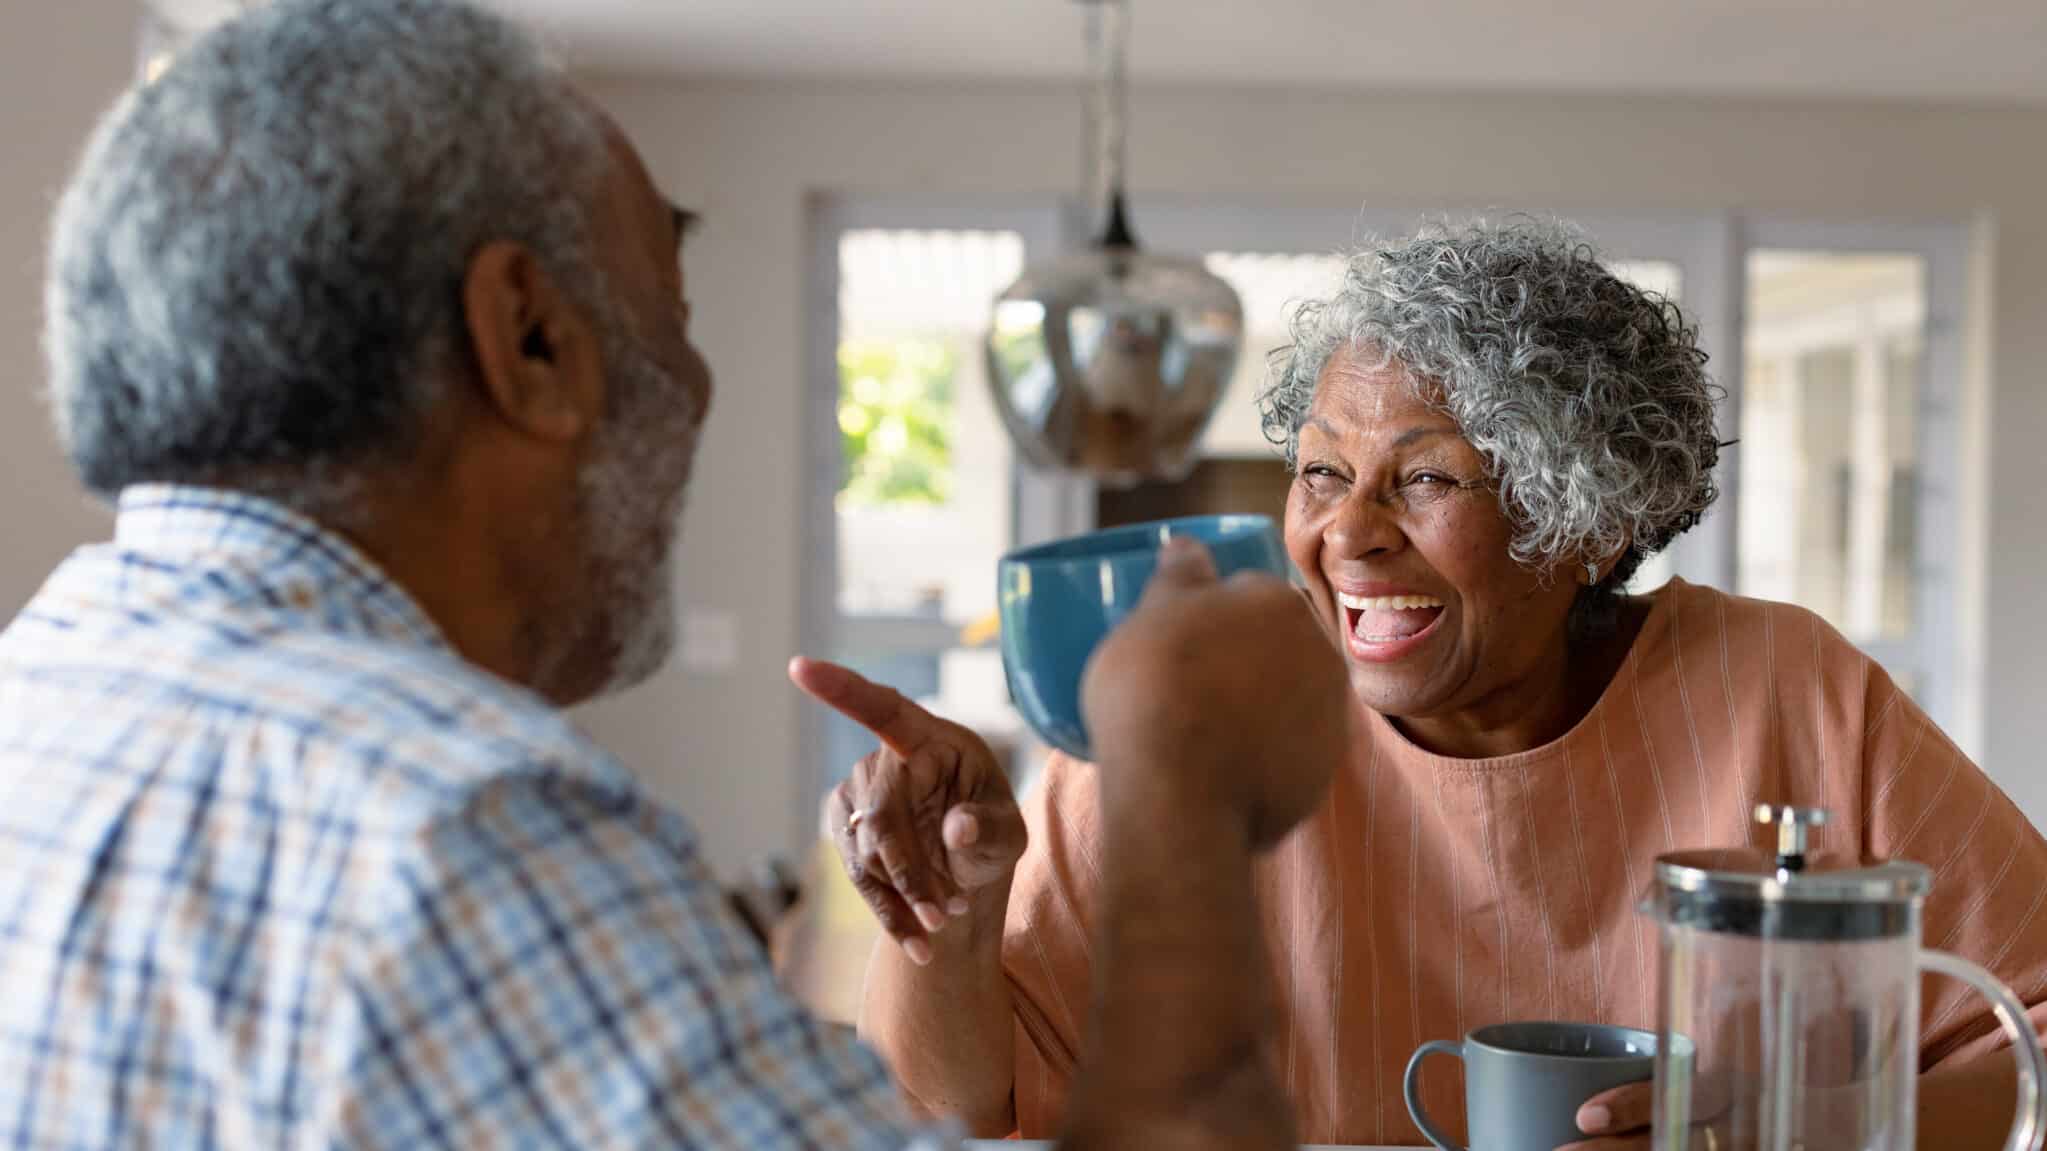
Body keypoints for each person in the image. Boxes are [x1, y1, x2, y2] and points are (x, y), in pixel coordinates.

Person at [0, 2, 1353, 1147]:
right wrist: (1178, 791)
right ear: (527, 340)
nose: (693, 387)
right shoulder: (469, 833)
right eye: (673, 321)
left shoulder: (43, 691)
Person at [804, 220, 2047, 1150]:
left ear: (1586, 525)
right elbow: (945, 1112)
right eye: (1318, 473)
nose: (1343, 535)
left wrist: (1787, 1126)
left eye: (1426, 478)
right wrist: (948, 931)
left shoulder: (1789, 687)